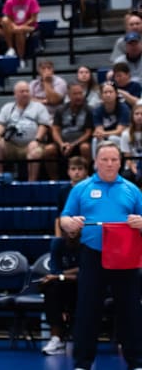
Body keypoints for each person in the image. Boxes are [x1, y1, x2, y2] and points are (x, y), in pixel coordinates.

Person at [60, 141, 142, 370]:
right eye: (104, 159)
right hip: (93, 255)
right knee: (87, 309)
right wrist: (70, 224)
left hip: (125, 256)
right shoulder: (81, 189)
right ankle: (82, 363)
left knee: (130, 310)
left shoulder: (132, 190)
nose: (109, 164)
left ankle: (137, 362)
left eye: (114, 159)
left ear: (120, 162)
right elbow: (64, 219)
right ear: (95, 162)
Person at [0, 81, 51, 182]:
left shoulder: (38, 107)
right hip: (12, 145)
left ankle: (31, 182)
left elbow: (43, 125)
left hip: (33, 144)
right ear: (15, 94)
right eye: (22, 91)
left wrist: (37, 139)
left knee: (35, 152)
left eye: (27, 91)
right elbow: (1, 124)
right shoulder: (7, 107)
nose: (25, 94)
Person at [39, 224, 80, 355]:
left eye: (75, 228)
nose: (71, 231)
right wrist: (66, 275)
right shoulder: (57, 243)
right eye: (68, 229)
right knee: (50, 288)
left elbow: (87, 272)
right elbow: (55, 270)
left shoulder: (88, 244)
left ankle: (82, 340)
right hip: (64, 284)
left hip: (86, 286)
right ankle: (57, 339)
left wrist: (60, 275)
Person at [43, 83, 93, 180]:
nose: (78, 96)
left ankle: (85, 177)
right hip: (63, 142)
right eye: (75, 94)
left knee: (85, 148)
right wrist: (61, 144)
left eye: (80, 93)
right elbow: (55, 130)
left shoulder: (89, 110)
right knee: (49, 150)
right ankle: (54, 180)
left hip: (80, 142)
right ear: (69, 95)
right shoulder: (61, 110)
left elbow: (88, 132)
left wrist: (73, 144)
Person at [2, 0, 40, 68]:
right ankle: (11, 49)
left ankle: (21, 58)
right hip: (15, 26)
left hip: (29, 26)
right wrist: (15, 26)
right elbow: (9, 18)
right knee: (4, 20)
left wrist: (21, 26)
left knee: (20, 30)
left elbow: (33, 19)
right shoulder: (9, 1)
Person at [92, 82, 130, 154]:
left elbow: (120, 131)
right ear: (101, 96)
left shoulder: (124, 108)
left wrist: (104, 134)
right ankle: (96, 163)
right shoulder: (97, 110)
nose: (108, 95)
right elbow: (99, 130)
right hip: (105, 136)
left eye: (111, 92)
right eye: (105, 92)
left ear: (116, 94)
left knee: (112, 138)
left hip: (120, 138)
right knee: (95, 140)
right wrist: (99, 134)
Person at [122, 104, 142, 185]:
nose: (139, 116)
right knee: (126, 175)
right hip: (131, 164)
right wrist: (133, 168)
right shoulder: (126, 134)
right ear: (132, 116)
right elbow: (127, 156)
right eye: (137, 114)